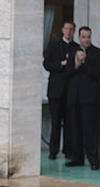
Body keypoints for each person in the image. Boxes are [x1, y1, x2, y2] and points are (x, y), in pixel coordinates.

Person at [65, 26, 100, 170]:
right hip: (74, 98)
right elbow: (67, 73)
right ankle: (77, 158)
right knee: (75, 129)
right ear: (79, 37)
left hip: (90, 98)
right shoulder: (73, 51)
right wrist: (76, 65)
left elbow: (96, 73)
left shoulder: (97, 53)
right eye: (83, 37)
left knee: (90, 130)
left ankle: (93, 160)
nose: (86, 40)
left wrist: (84, 63)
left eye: (88, 37)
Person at [43, 21, 78, 160]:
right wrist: (61, 64)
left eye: (71, 29)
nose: (69, 31)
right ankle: (53, 151)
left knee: (70, 123)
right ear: (62, 30)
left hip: (70, 92)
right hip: (56, 91)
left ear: (74, 31)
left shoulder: (76, 47)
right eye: (67, 29)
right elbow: (47, 64)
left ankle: (68, 150)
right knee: (56, 122)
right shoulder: (53, 45)